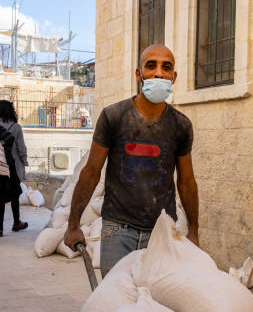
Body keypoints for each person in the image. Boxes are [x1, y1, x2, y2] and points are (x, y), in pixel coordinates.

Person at [64, 44, 199, 277]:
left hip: (161, 230)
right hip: (117, 229)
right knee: (116, 302)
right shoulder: (113, 116)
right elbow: (91, 172)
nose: (158, 73)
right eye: (151, 66)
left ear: (173, 77)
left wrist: (194, 231)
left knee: (153, 304)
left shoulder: (181, 125)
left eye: (166, 68)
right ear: (139, 74)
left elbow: (186, 182)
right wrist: (73, 225)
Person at [0, 100, 28, 237]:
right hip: (13, 166)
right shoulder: (16, 127)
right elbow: (21, 148)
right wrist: (25, 161)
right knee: (15, 194)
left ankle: (0, 228)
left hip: (0, 166)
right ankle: (17, 222)